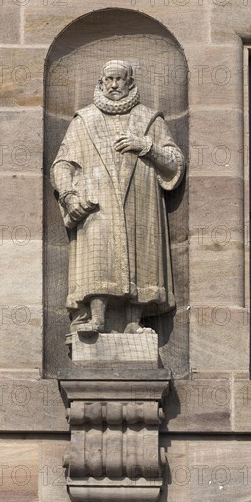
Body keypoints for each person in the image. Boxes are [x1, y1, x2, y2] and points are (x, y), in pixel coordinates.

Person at [51, 60, 185, 334]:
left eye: (119, 79)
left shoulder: (150, 120)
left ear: (130, 82)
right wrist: (68, 195)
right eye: (108, 79)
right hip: (97, 204)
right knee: (98, 256)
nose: (114, 85)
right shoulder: (84, 120)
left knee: (140, 257)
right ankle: (97, 318)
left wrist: (145, 146)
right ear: (100, 83)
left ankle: (134, 322)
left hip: (140, 201)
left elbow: (174, 163)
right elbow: (62, 164)